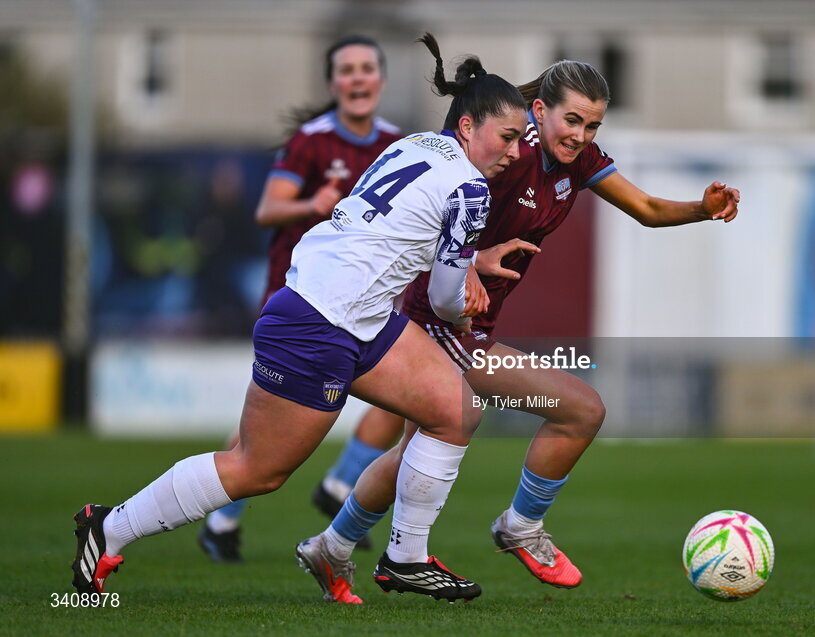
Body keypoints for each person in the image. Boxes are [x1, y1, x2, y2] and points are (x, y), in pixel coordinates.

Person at [69, 41, 529, 605]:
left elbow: (397, 233)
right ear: (466, 126)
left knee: (453, 410)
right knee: (255, 471)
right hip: (319, 321)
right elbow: (442, 297)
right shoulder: (472, 187)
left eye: (521, 140)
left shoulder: (417, 144)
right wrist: (467, 303)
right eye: (508, 137)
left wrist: (464, 269)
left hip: (349, 311)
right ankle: (107, 529)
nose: (514, 151)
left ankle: (405, 558)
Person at [297, 39, 740, 604]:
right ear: (539, 112)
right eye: (571, 119)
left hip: (466, 325)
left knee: (411, 453)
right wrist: (470, 263)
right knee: (579, 409)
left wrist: (701, 209)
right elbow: (433, 215)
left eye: (593, 126)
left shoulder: (578, 161)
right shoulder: (510, 156)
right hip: (441, 321)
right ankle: (516, 527)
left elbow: (649, 210)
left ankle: (332, 547)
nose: (580, 135)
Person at [196, 35, 403, 563]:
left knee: (405, 401)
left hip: (364, 301)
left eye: (366, 69)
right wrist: (315, 201)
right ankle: (221, 519)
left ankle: (339, 486)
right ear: (333, 84)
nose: (357, 78)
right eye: (346, 70)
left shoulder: (398, 142)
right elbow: (268, 209)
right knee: (265, 421)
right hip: (301, 297)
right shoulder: (311, 142)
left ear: (380, 80)